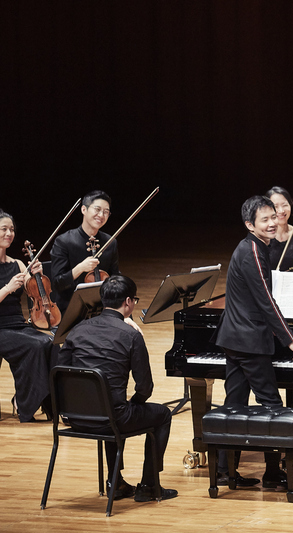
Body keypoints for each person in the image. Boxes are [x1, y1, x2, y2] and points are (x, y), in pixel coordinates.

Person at [211, 195, 293, 488]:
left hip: (234, 338)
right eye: (264, 220)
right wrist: (290, 340)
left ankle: (226, 472)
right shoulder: (252, 250)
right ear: (250, 224)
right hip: (249, 341)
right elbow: (266, 300)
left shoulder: (253, 246)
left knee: (234, 405)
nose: (272, 223)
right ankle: (274, 474)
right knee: (272, 407)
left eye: (273, 217)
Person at [57, 275, 176, 502]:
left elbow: (59, 371)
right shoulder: (131, 335)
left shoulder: (78, 330)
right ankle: (149, 486)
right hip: (112, 419)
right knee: (162, 414)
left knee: (108, 405)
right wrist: (134, 403)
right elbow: (145, 387)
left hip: (76, 417)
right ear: (129, 301)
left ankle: (116, 482)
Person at [0, 210, 57, 422]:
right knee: (33, 346)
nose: (9, 233)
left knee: (50, 342)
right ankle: (24, 403)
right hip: (1, 328)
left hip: (18, 325)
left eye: (12, 229)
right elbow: (7, 291)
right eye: (4, 229)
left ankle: (48, 404)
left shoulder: (17, 264)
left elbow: (34, 291)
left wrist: (37, 275)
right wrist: (7, 288)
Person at [50, 191, 120, 314]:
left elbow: (114, 275)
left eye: (106, 212)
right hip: (71, 310)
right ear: (83, 209)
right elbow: (57, 283)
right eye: (97, 209)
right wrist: (80, 268)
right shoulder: (64, 241)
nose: (101, 215)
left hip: (102, 309)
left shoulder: (110, 242)